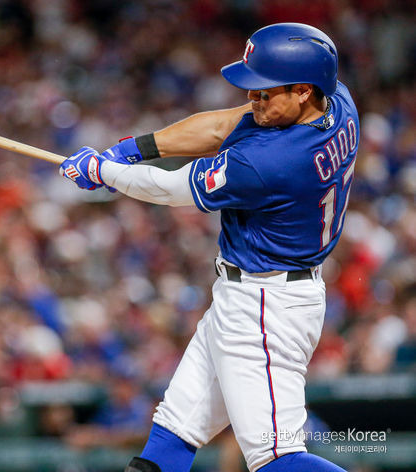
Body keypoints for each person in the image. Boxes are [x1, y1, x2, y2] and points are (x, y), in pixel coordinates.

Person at [59, 23, 357, 472]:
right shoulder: (339, 102)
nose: (253, 101)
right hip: (250, 297)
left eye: (264, 92)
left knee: (276, 460)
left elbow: (172, 189)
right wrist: (131, 150)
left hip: (265, 306)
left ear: (301, 91)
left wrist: (104, 172)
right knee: (171, 435)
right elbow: (223, 125)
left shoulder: (268, 163)